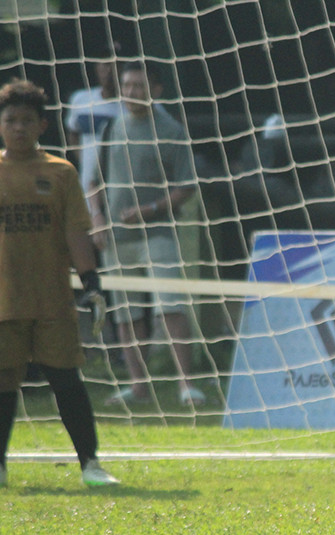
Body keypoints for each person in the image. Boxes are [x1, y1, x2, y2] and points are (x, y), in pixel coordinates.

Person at [0, 78, 119, 487]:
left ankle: (90, 464)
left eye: (26, 121)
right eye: (10, 119)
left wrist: (91, 282)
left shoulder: (60, 172)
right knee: (2, 383)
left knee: (66, 380)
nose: (18, 127)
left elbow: (75, 234)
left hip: (52, 300)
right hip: (3, 300)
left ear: (42, 126)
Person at [90, 61, 205, 407]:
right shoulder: (112, 127)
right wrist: (97, 219)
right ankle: (138, 386)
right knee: (126, 315)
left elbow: (186, 187)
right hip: (115, 239)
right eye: (126, 86)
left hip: (157, 235)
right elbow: (94, 182)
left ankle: (187, 385)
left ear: (156, 91)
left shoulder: (172, 130)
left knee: (169, 307)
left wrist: (149, 210)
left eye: (138, 86)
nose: (131, 93)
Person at [64, 41, 123, 206]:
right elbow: (72, 132)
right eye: (104, 63)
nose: (109, 69)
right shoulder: (80, 99)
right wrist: (85, 161)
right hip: (89, 186)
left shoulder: (138, 105)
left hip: (124, 185)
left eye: (116, 64)